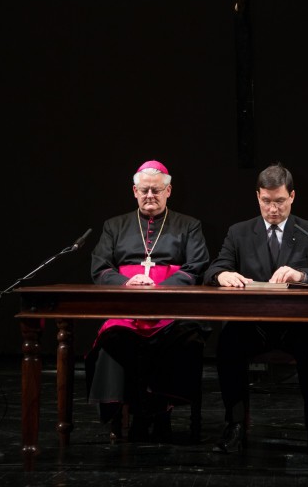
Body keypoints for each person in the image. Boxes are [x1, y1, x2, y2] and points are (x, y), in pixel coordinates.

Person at [203, 162, 308, 455]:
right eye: (266, 201)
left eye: (280, 201)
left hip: (296, 325)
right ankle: (235, 426)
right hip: (252, 325)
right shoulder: (239, 232)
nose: (273, 209)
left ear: (292, 196)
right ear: (257, 196)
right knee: (228, 343)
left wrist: (301, 275)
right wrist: (222, 275)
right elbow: (215, 268)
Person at [85, 160, 210, 443]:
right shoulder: (114, 226)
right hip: (126, 307)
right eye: (144, 190)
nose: (150, 195)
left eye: (156, 190)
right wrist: (125, 283)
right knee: (113, 339)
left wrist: (162, 289)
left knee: (183, 338)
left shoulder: (189, 225)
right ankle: (134, 411)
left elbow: (196, 267)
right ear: (134, 191)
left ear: (169, 191)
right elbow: (100, 267)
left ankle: (161, 411)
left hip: (173, 307)